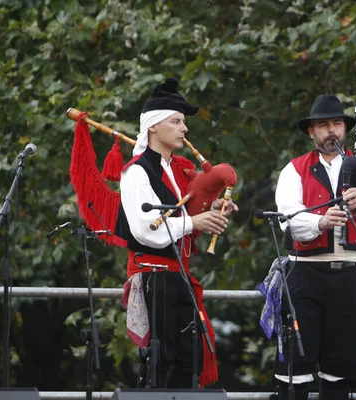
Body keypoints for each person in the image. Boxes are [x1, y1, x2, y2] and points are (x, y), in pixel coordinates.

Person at [273, 95, 356, 400]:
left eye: (336, 124)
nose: (331, 130)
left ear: (345, 129)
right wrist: (320, 223)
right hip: (304, 274)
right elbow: (287, 216)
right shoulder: (294, 169)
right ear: (312, 132)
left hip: (351, 275)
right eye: (323, 125)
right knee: (295, 366)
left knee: (340, 370)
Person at [115, 78, 237, 388]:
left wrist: (211, 213)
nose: (184, 129)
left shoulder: (175, 170)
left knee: (187, 361)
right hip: (153, 276)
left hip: (178, 277)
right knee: (162, 362)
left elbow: (184, 219)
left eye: (183, 122)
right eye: (176, 121)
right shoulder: (137, 172)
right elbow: (145, 230)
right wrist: (194, 223)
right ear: (153, 127)